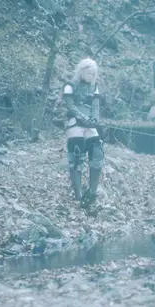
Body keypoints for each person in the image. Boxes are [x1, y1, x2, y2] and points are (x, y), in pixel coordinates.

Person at [60, 57, 104, 208]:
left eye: (93, 73)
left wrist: (95, 119)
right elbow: (70, 106)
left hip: (89, 124)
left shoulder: (94, 87)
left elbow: (96, 106)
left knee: (97, 153)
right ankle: (78, 196)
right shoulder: (70, 85)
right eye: (88, 73)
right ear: (81, 71)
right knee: (76, 155)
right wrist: (82, 117)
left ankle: (91, 194)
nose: (91, 76)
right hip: (75, 123)